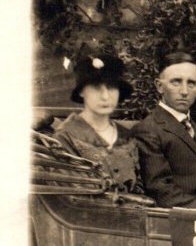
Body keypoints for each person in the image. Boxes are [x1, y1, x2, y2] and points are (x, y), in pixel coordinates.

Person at [132, 51, 196, 211]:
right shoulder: (148, 129)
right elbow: (159, 190)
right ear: (159, 86)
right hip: (173, 218)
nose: (184, 91)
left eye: (191, 83)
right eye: (176, 82)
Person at [53, 53, 141, 193]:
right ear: (82, 91)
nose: (105, 96)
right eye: (96, 87)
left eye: (111, 87)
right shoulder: (65, 137)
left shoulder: (127, 136)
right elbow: (71, 197)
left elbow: (140, 189)